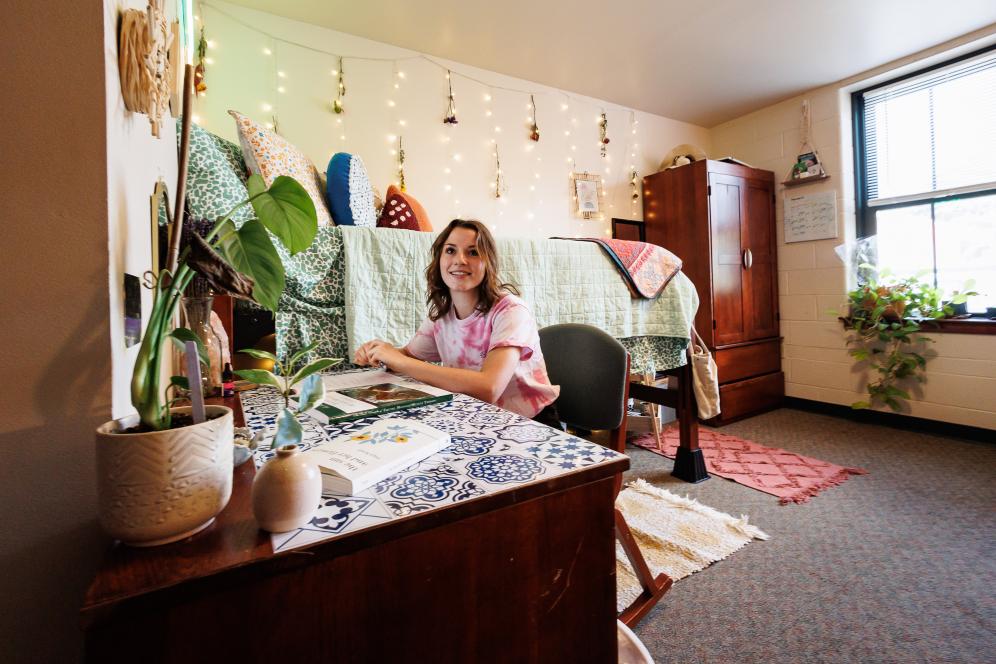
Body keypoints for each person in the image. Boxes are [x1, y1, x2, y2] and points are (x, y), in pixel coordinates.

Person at [354, 218, 560, 423]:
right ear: (439, 260)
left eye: (473, 252)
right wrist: (380, 351)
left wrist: (400, 361)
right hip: (476, 417)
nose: (460, 260)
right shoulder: (442, 315)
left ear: (488, 262)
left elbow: (489, 388)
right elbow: (408, 356)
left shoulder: (511, 311)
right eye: (450, 250)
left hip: (530, 423)